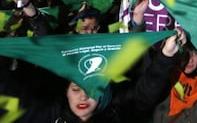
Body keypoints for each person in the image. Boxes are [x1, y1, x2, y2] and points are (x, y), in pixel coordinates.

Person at [0, 30, 187, 123]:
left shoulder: (117, 113)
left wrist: (166, 55)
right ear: (66, 92)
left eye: (91, 89)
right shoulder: (50, 115)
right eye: (75, 89)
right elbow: (11, 98)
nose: (83, 96)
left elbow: (146, 91)